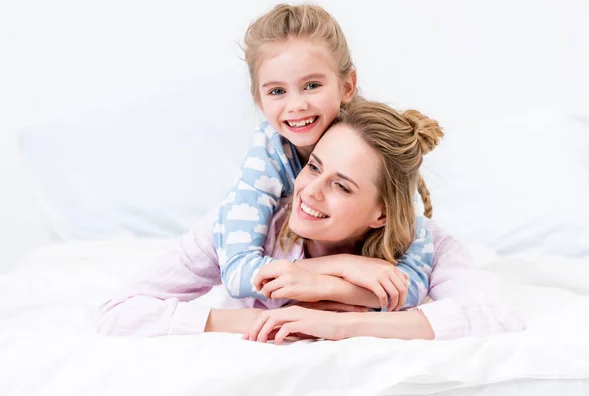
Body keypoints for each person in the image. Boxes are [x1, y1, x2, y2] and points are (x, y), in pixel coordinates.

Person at [97, 100, 523, 342]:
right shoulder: (241, 227)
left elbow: (494, 316)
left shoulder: (429, 243)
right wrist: (316, 275)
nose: (312, 192)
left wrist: (339, 323)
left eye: (343, 186)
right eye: (315, 167)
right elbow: (118, 313)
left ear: (382, 214)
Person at [213, 3, 434, 311]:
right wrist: (344, 265)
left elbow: (410, 287)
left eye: (312, 85)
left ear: (347, 86)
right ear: (259, 100)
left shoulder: (372, 143)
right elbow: (237, 273)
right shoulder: (268, 154)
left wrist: (327, 285)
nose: (297, 105)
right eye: (277, 92)